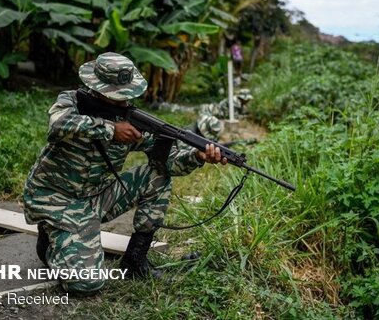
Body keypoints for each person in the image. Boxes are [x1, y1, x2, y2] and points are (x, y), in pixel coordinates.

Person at [23, 52, 227, 295]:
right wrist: (110, 129)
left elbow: (167, 164)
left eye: (126, 96)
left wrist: (196, 157)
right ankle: (49, 239)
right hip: (55, 200)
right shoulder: (71, 102)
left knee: (155, 176)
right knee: (86, 284)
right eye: (116, 97)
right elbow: (57, 124)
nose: (124, 103)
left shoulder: (132, 120)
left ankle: (135, 259)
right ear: (96, 90)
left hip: (96, 197)